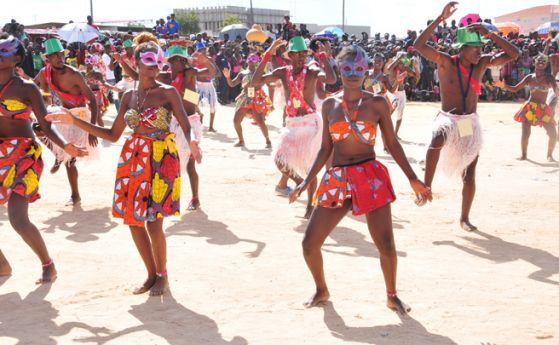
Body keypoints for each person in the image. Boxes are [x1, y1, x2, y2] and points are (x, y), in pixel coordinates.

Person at [46, 33, 200, 296]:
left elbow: (186, 123)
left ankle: (163, 275)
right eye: (149, 63)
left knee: (155, 222)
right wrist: (74, 122)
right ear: (137, 64)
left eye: (157, 63)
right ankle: (151, 274)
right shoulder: (128, 97)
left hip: (161, 157)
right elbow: (112, 135)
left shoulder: (168, 92)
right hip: (134, 158)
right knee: (133, 220)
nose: (155, 68)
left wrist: (195, 141)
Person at [289, 45, 432, 313]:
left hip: (369, 176)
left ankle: (392, 295)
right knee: (309, 243)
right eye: (347, 69)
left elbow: (392, 143)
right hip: (338, 179)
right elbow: (325, 149)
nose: (353, 74)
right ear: (339, 70)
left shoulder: (377, 103)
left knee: (386, 245)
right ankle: (321, 289)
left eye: (358, 69)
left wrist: (414, 178)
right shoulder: (330, 105)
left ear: (366, 70)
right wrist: (306, 181)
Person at [414, 2, 520, 231]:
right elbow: (418, 45)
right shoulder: (444, 61)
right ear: (461, 48)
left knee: (469, 174)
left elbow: (514, 53)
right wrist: (440, 19)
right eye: (474, 47)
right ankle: (426, 186)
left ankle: (464, 218)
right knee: (438, 137)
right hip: (448, 118)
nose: (479, 51)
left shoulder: (482, 64)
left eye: (480, 47)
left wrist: (491, 34)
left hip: (469, 123)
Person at [0, 35, 86, 282]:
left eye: (3, 53)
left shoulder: (26, 88)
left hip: (23, 155)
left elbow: (46, 126)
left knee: (17, 218)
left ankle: (48, 264)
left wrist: (67, 146)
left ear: (16, 59)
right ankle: (2, 265)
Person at [252, 37, 337, 219]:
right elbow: (255, 81)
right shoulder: (283, 72)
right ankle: (300, 184)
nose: (300, 57)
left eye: (303, 53)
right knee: (279, 160)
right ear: (289, 55)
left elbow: (331, 79)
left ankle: (310, 205)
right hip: (291, 124)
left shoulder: (312, 71)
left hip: (309, 123)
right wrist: (268, 53)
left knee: (309, 166)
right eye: (296, 53)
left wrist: (322, 56)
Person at [36, 38, 99, 206]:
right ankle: (57, 153)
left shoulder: (73, 74)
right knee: (37, 127)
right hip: (63, 113)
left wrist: (92, 129)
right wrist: (47, 113)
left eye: (61, 54)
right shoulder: (44, 73)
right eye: (54, 55)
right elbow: (43, 94)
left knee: (70, 159)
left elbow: (93, 101)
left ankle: (75, 195)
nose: (59, 58)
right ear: (47, 58)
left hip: (79, 116)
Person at [167, 44, 216, 210]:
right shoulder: (168, 77)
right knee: (173, 162)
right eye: (171, 61)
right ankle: (173, 197)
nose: (173, 64)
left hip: (190, 124)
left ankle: (194, 198)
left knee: (188, 164)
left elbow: (212, 73)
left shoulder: (188, 74)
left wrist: (206, 61)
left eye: (177, 61)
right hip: (175, 123)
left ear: (183, 61)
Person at [502, 54, 557, 161]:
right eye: (539, 61)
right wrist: (503, 85)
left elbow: (555, 88)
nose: (541, 63)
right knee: (526, 133)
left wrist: (557, 90)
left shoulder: (549, 78)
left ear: (545, 65)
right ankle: (524, 155)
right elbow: (515, 88)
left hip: (543, 109)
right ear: (534, 63)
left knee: (553, 134)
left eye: (543, 62)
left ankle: (549, 155)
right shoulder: (529, 77)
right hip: (529, 108)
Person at [224, 53, 272, 148]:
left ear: (257, 62)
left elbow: (268, 83)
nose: (251, 61)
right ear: (247, 60)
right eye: (250, 59)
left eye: (254, 60)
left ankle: (268, 140)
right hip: (245, 97)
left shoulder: (260, 73)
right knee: (236, 121)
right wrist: (228, 77)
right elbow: (232, 84)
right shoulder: (242, 73)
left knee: (260, 121)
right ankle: (241, 141)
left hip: (257, 97)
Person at [194, 42, 218, 132]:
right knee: (196, 106)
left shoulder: (210, 59)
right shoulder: (194, 60)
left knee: (213, 105)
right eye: (200, 50)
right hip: (198, 85)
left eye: (203, 50)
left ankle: (211, 127)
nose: (202, 52)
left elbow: (215, 71)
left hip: (209, 85)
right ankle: (200, 124)